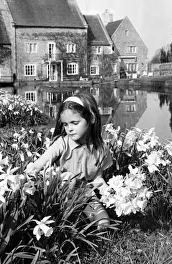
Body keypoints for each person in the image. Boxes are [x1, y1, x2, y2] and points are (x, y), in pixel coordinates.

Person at [25, 91, 112, 229]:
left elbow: (98, 180)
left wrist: (111, 194)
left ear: (92, 118)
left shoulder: (101, 150)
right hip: (60, 190)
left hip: (84, 192)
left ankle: (77, 216)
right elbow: (40, 163)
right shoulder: (62, 143)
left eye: (74, 123)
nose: (69, 129)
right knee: (69, 178)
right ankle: (65, 217)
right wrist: (27, 175)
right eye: (65, 124)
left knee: (104, 222)